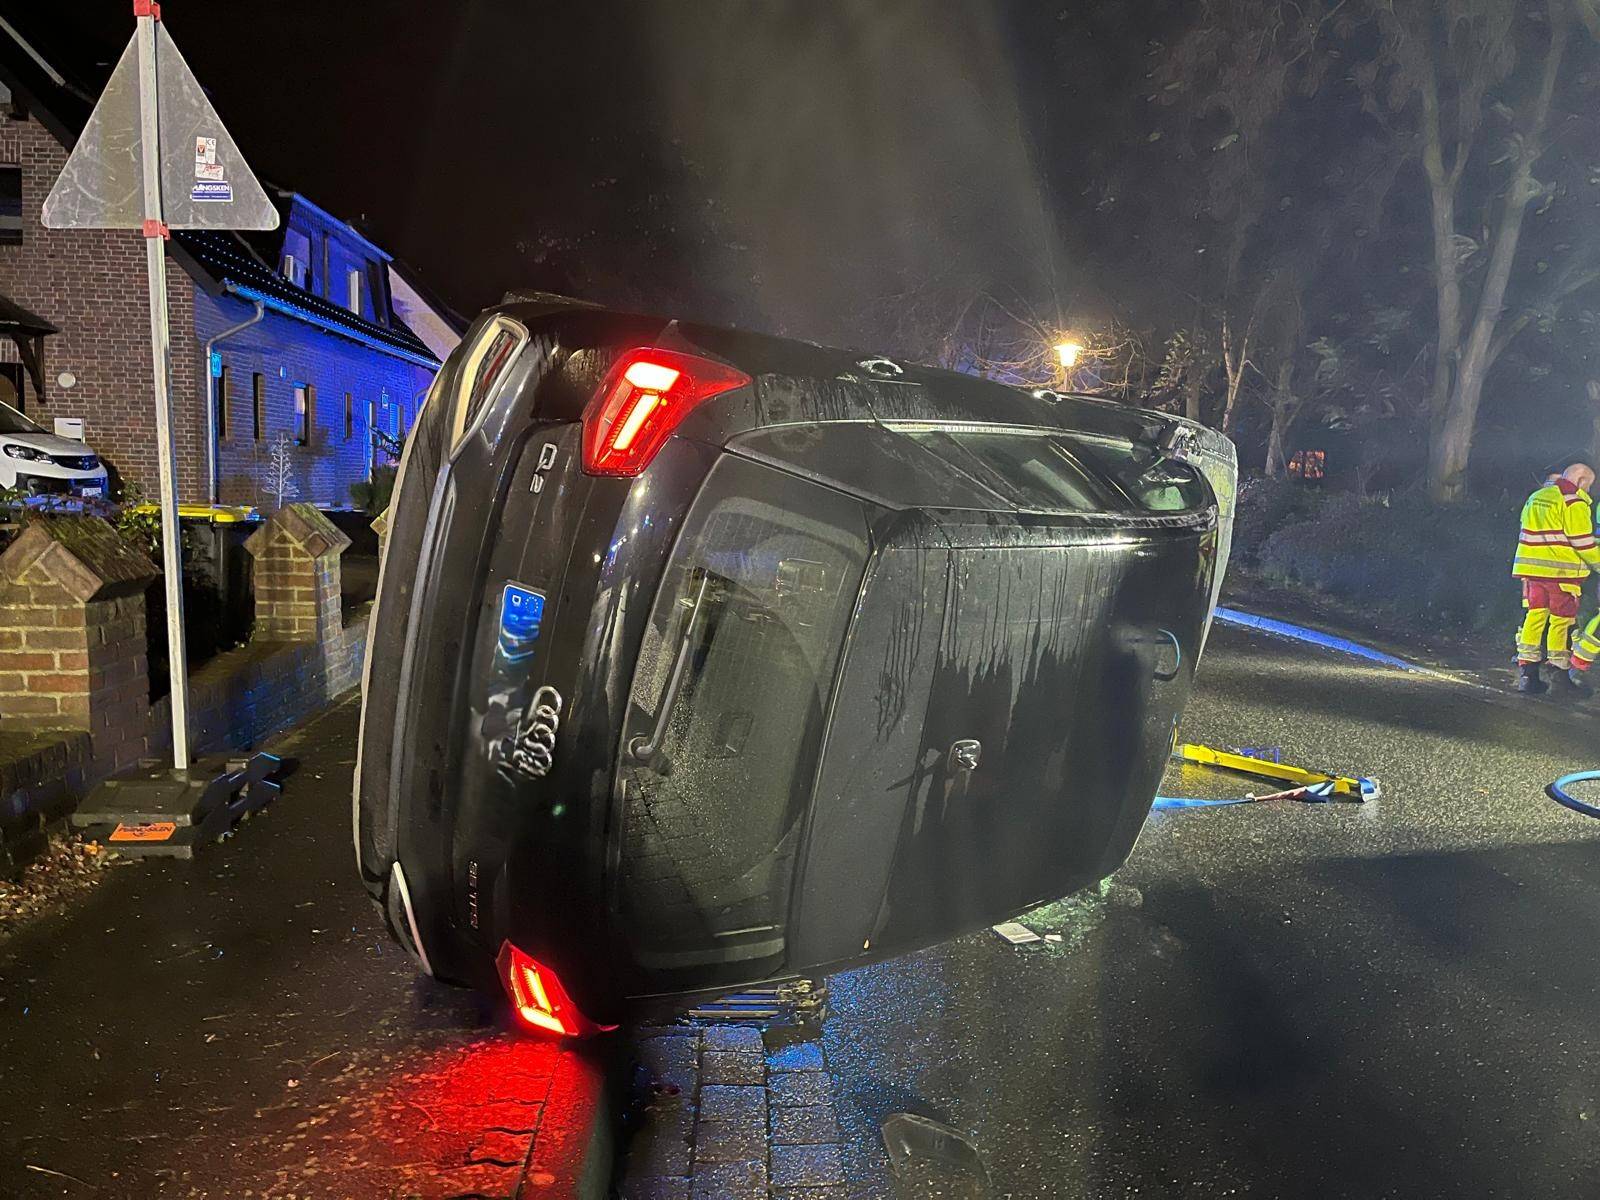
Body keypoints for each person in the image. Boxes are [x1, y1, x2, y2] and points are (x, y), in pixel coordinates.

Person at [1513, 462, 1600, 696]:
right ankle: (1560, 677)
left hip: (1532, 571)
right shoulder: (1573, 501)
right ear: (1580, 481)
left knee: (1534, 618)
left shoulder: (1537, 496)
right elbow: (1582, 541)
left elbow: (1524, 528)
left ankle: (1528, 676)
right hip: (1561, 574)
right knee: (1561, 622)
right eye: (1588, 485)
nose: (1588, 491)